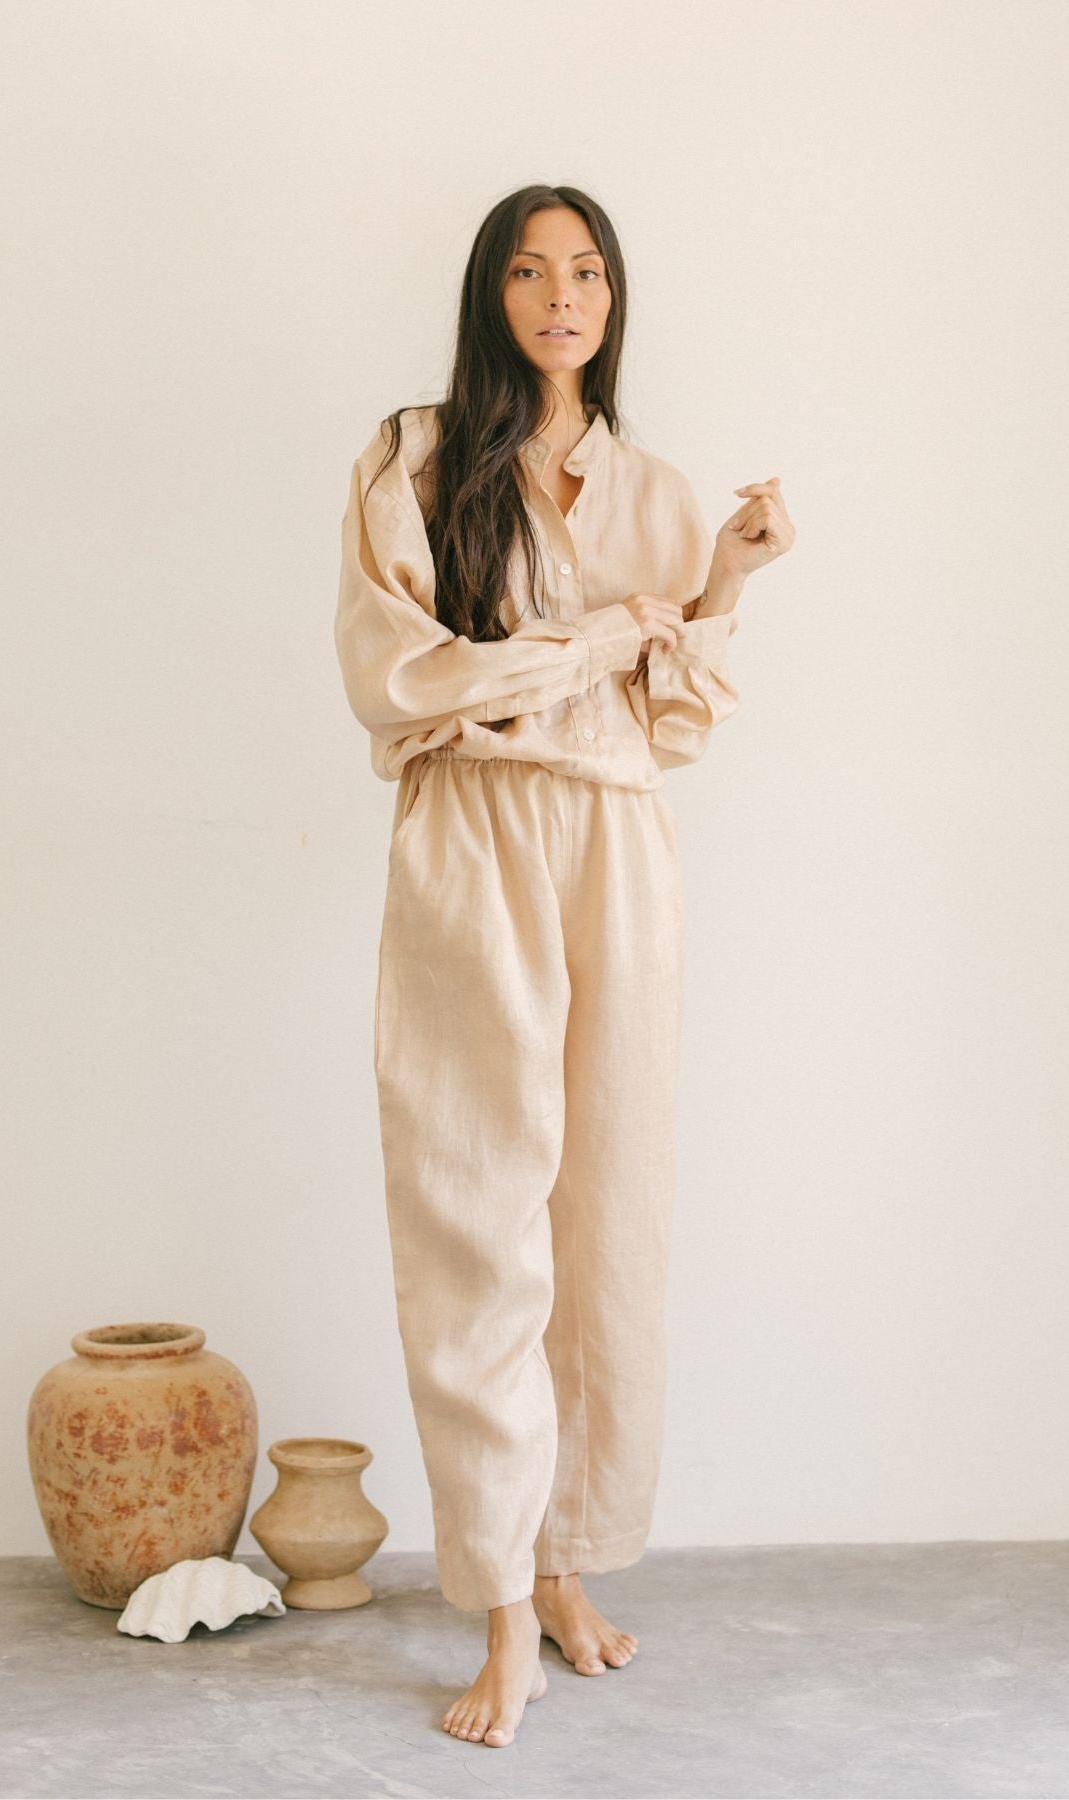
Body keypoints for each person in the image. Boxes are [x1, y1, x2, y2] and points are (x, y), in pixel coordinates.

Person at [333, 183, 794, 1750]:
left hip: (615, 844)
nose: (559, 294)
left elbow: (676, 698)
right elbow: (403, 680)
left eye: (585, 269)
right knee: (478, 1208)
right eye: (528, 269)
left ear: (614, 297)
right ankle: (498, 1615)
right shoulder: (412, 458)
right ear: (491, 292)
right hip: (472, 840)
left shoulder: (657, 490)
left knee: (609, 1208)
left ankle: (566, 1562)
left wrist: (724, 578)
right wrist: (594, 643)